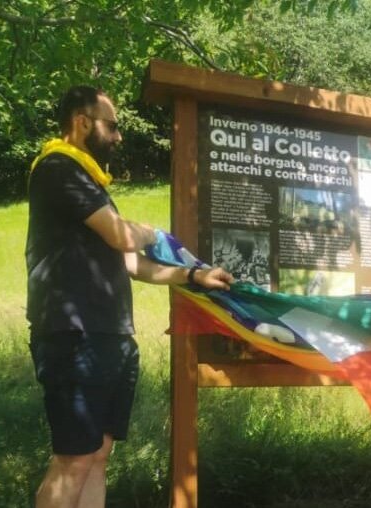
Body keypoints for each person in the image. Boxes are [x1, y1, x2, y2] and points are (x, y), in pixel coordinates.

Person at [25, 85, 233, 508]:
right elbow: (122, 236)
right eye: (113, 126)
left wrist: (194, 275)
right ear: (83, 123)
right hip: (75, 335)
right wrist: (154, 233)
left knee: (98, 455)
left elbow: (130, 263)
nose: (119, 136)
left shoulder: (88, 180)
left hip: (109, 336)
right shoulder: (58, 168)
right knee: (74, 459)